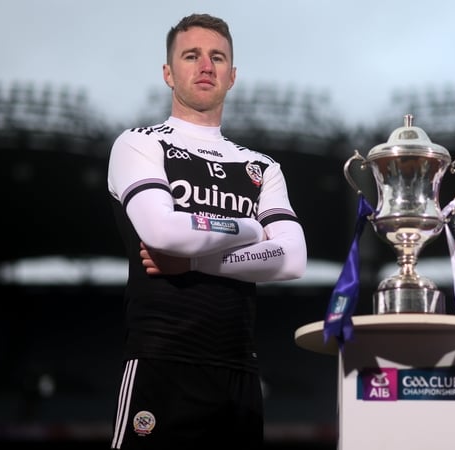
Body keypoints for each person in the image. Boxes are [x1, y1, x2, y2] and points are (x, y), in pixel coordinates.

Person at [106, 13, 307, 449]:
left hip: (240, 372)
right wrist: (250, 228)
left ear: (232, 76)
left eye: (217, 57)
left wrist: (196, 261)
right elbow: (163, 233)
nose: (205, 66)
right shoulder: (139, 143)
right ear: (168, 72)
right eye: (191, 55)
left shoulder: (261, 167)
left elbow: (292, 258)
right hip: (161, 362)